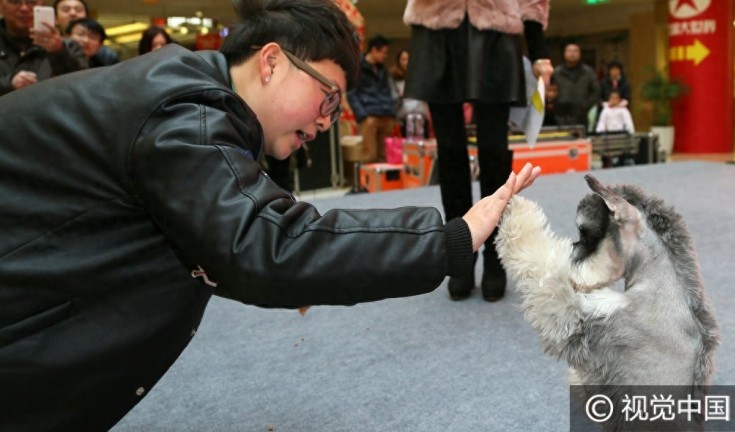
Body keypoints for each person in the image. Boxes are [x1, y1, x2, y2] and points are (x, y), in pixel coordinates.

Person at [0, 0, 541, 429]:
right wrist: (452, 236)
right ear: (272, 61)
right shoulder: (183, 114)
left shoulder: (187, 96)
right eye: (328, 97)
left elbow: (231, 241)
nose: (329, 121)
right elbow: (267, 246)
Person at [403, 0, 553, 301]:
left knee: (494, 150)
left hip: (497, 29)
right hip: (436, 24)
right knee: (450, 151)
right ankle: (459, 252)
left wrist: (539, 52)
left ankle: (495, 255)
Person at [0, 0, 87, 96]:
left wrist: (58, 51)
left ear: (42, 5)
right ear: (0, 5)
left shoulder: (68, 45)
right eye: (14, 2)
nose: (24, 8)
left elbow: (82, 86)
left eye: (31, 2)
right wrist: (8, 84)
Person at [345, 34, 397, 163]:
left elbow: (388, 90)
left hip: (386, 114)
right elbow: (351, 92)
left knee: (384, 156)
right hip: (369, 115)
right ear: (374, 50)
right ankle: (369, 183)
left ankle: (382, 183)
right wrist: (362, 115)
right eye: (383, 52)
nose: (385, 56)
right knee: (370, 155)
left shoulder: (382, 69)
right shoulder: (358, 67)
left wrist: (391, 111)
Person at [54, 0, 119, 66]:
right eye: (66, 10)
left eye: (78, 10)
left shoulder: (107, 55)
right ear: (55, 19)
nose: (73, 13)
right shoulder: (48, 49)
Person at [551, 43, 599, 129]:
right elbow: (549, 90)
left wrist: (585, 105)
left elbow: (596, 91)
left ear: (580, 54)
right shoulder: (556, 72)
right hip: (560, 115)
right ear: (564, 53)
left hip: (581, 114)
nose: (572, 54)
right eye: (569, 51)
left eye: (575, 51)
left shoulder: (588, 72)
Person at [389, 48, 430, 138]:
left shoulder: (421, 76)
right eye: (403, 59)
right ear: (398, 61)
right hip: (403, 117)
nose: (406, 63)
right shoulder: (394, 78)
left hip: (421, 115)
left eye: (408, 59)